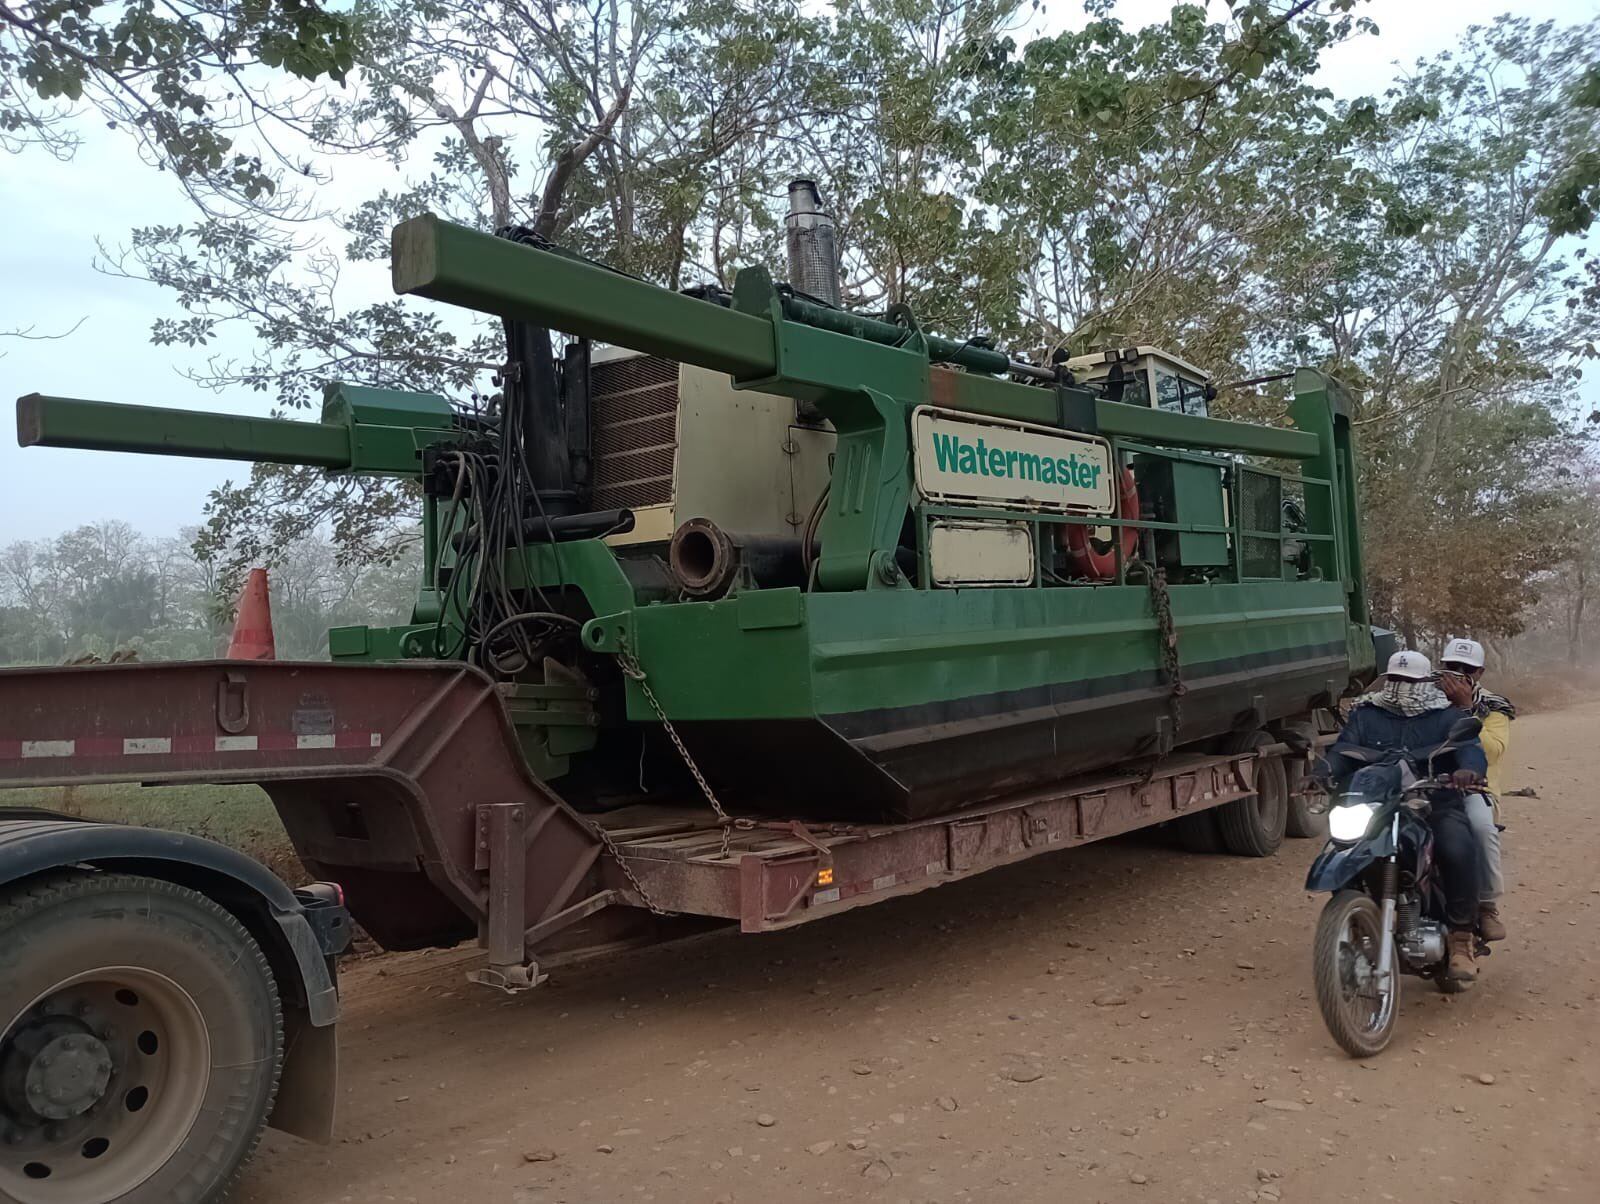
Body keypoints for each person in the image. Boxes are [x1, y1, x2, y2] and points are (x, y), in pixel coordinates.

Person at [1321, 650, 1487, 984]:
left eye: (1410, 681)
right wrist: (1318, 773)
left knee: (1456, 847)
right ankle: (1351, 921)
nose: (1401, 687)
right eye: (1395, 679)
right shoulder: (1366, 713)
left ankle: (1460, 938)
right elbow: (1342, 750)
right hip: (1377, 804)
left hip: (1432, 800)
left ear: (1425, 682)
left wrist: (1469, 769)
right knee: (1342, 846)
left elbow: (1469, 746)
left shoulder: (1446, 715)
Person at [1437, 637, 1515, 943]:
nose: (1458, 673)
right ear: (1441, 666)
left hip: (1475, 788)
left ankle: (1486, 905)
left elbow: (1494, 751)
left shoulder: (1494, 708)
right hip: (1425, 785)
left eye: (1466, 669)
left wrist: (1465, 711)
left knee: (1481, 828)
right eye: (1452, 666)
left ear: (1479, 673)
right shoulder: (1423, 700)